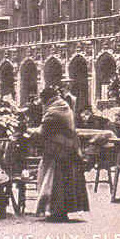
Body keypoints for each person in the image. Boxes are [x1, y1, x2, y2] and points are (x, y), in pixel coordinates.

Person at [31, 86, 89, 222]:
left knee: (56, 182)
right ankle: (60, 211)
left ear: (46, 99)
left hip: (60, 150)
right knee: (67, 182)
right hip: (69, 149)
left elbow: (43, 131)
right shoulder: (63, 106)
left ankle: (57, 211)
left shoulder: (53, 110)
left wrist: (29, 132)